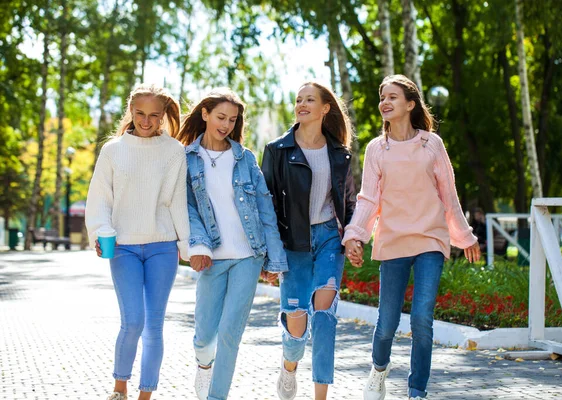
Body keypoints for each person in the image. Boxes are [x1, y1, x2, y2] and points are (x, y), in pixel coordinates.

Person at [342, 74, 481, 400]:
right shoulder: (378, 148)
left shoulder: (431, 144)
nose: (385, 103)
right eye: (382, 97)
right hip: (393, 242)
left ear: (410, 104)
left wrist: (465, 236)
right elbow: (368, 199)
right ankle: (378, 370)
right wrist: (355, 235)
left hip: (431, 240)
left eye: (392, 97)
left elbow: (449, 194)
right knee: (387, 323)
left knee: (421, 319)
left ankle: (417, 390)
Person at [175, 88, 288, 400]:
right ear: (205, 114)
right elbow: (186, 208)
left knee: (229, 334)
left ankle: (216, 396)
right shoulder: (185, 159)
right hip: (211, 256)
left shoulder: (245, 158)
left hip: (247, 256)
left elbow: (265, 209)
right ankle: (203, 364)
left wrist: (273, 260)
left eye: (232, 119)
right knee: (205, 335)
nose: (225, 124)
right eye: (220, 117)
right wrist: (198, 247)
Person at [85, 84, 190, 400]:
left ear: (162, 116)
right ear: (131, 112)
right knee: (133, 321)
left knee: (154, 327)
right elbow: (100, 197)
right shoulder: (113, 150)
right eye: (140, 113)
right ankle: (120, 388)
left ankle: (146, 394)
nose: (146, 121)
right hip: (123, 247)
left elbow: (177, 201)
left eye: (153, 115)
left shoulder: (174, 151)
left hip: (162, 246)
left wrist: (187, 245)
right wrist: (100, 231)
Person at [261, 82, 356, 400]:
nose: (301, 104)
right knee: (297, 327)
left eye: (309, 99)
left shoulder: (340, 153)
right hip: (293, 244)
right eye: (298, 99)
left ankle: (320, 395)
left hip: (330, 238)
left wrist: (354, 238)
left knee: (325, 317)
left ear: (325, 108)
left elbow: (349, 203)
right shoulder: (278, 150)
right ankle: (289, 367)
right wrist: (269, 256)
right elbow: (267, 205)